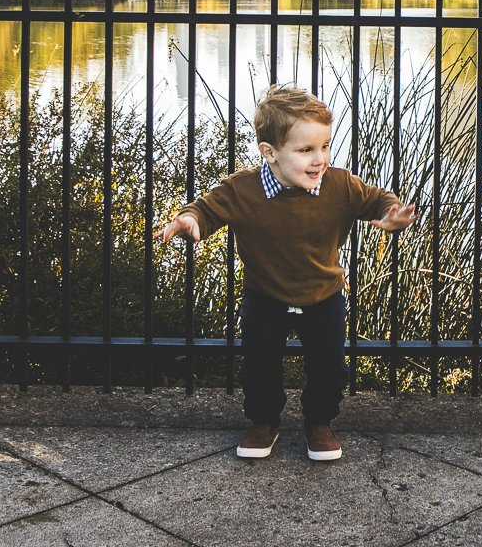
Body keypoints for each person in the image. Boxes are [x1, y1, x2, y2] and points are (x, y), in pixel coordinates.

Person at [159, 84, 419, 461]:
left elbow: (378, 199)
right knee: (259, 363)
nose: (320, 159)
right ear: (270, 152)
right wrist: (188, 220)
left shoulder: (340, 185)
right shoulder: (242, 189)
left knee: (328, 365)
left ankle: (320, 423)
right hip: (265, 296)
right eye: (305, 150)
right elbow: (206, 209)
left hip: (324, 294)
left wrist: (391, 213)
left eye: (325, 146)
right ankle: (264, 421)